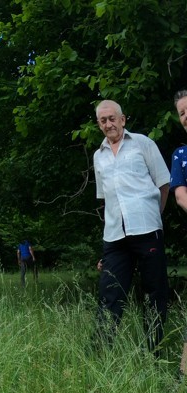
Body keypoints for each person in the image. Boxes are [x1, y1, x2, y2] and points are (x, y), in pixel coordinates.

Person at [92, 100, 170, 352]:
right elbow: (105, 199)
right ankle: (100, 352)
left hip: (147, 228)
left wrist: (154, 215)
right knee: (109, 290)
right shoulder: (98, 156)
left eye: (112, 118)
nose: (108, 124)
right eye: (103, 121)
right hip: (115, 236)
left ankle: (154, 351)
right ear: (99, 124)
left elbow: (163, 184)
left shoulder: (143, 143)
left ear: (123, 119)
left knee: (154, 291)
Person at [170, 90, 187, 374]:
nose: (186, 116)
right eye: (182, 113)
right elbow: (181, 195)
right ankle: (184, 375)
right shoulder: (181, 155)